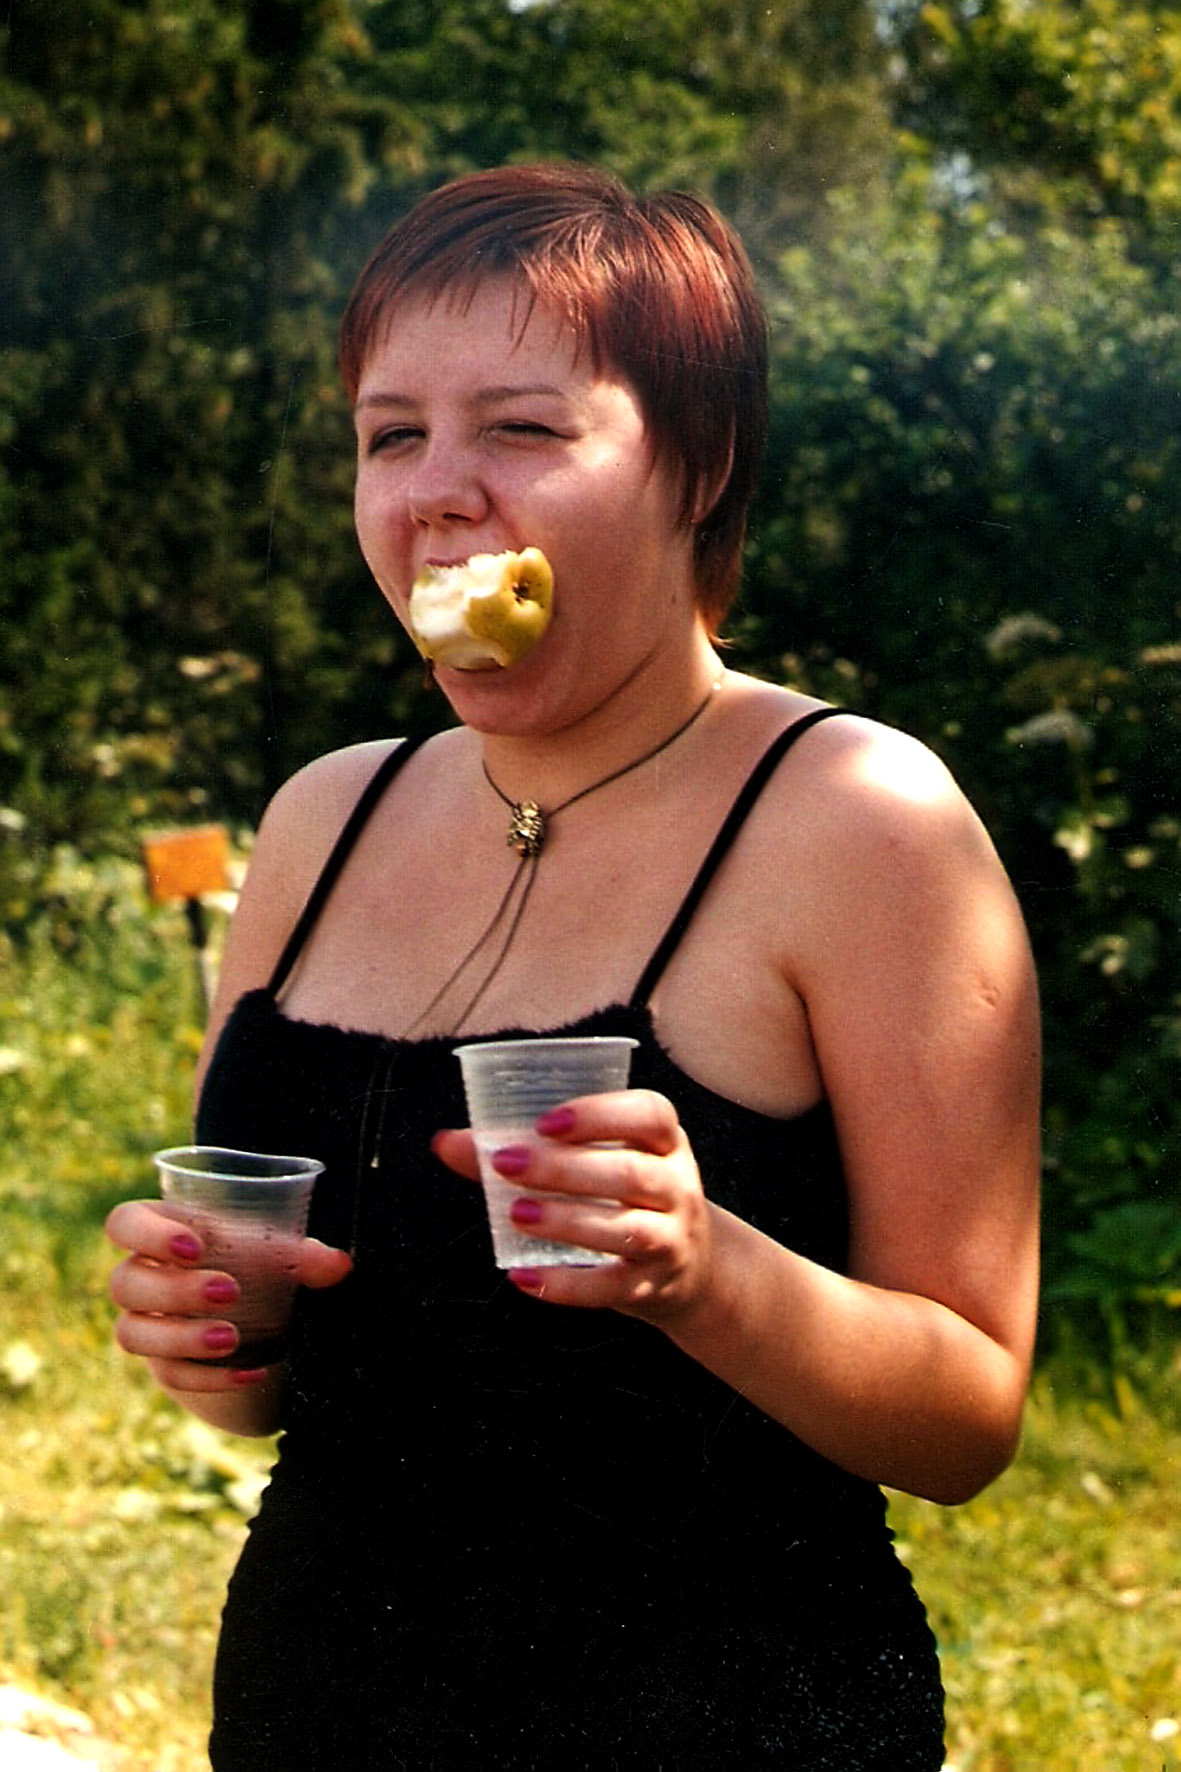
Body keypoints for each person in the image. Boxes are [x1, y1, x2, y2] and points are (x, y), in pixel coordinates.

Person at [106, 162, 1041, 1769]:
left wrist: (707, 1273)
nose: (437, 492)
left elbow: (966, 1420)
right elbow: (272, 1395)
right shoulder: (324, 820)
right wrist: (211, 1330)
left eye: (522, 429)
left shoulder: (858, 819)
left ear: (700, 463)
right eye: (391, 434)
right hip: (315, 1712)